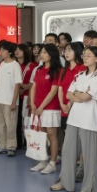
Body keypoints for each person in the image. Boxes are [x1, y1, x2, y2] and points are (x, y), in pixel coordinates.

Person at [50, 46, 97, 192]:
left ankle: (89, 187)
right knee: (68, 152)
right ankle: (65, 182)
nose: (85, 57)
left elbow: (86, 97)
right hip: (74, 119)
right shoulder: (80, 75)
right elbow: (69, 95)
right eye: (84, 55)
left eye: (89, 55)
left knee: (89, 156)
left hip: (90, 121)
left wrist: (79, 95)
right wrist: (80, 94)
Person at [28, 44, 63, 174]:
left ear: (51, 55)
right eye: (41, 52)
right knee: (41, 135)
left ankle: (52, 163)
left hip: (51, 108)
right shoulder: (38, 69)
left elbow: (53, 92)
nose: (41, 54)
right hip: (37, 107)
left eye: (44, 52)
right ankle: (43, 160)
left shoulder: (57, 70)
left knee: (52, 135)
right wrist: (32, 103)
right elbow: (34, 87)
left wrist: (41, 107)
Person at [0, 41, 22, 156]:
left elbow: (17, 85)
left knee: (11, 125)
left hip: (9, 101)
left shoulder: (15, 65)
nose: (1, 52)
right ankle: (1, 146)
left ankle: (11, 147)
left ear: (10, 52)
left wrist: (14, 101)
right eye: (0, 50)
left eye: (3, 50)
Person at [15, 43, 35, 150]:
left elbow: (33, 82)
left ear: (25, 52)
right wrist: (19, 87)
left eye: (20, 50)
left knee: (27, 120)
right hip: (15, 96)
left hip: (27, 96)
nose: (17, 51)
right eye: (16, 50)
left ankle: (28, 142)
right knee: (16, 120)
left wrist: (24, 87)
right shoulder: (13, 64)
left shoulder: (32, 65)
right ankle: (17, 142)